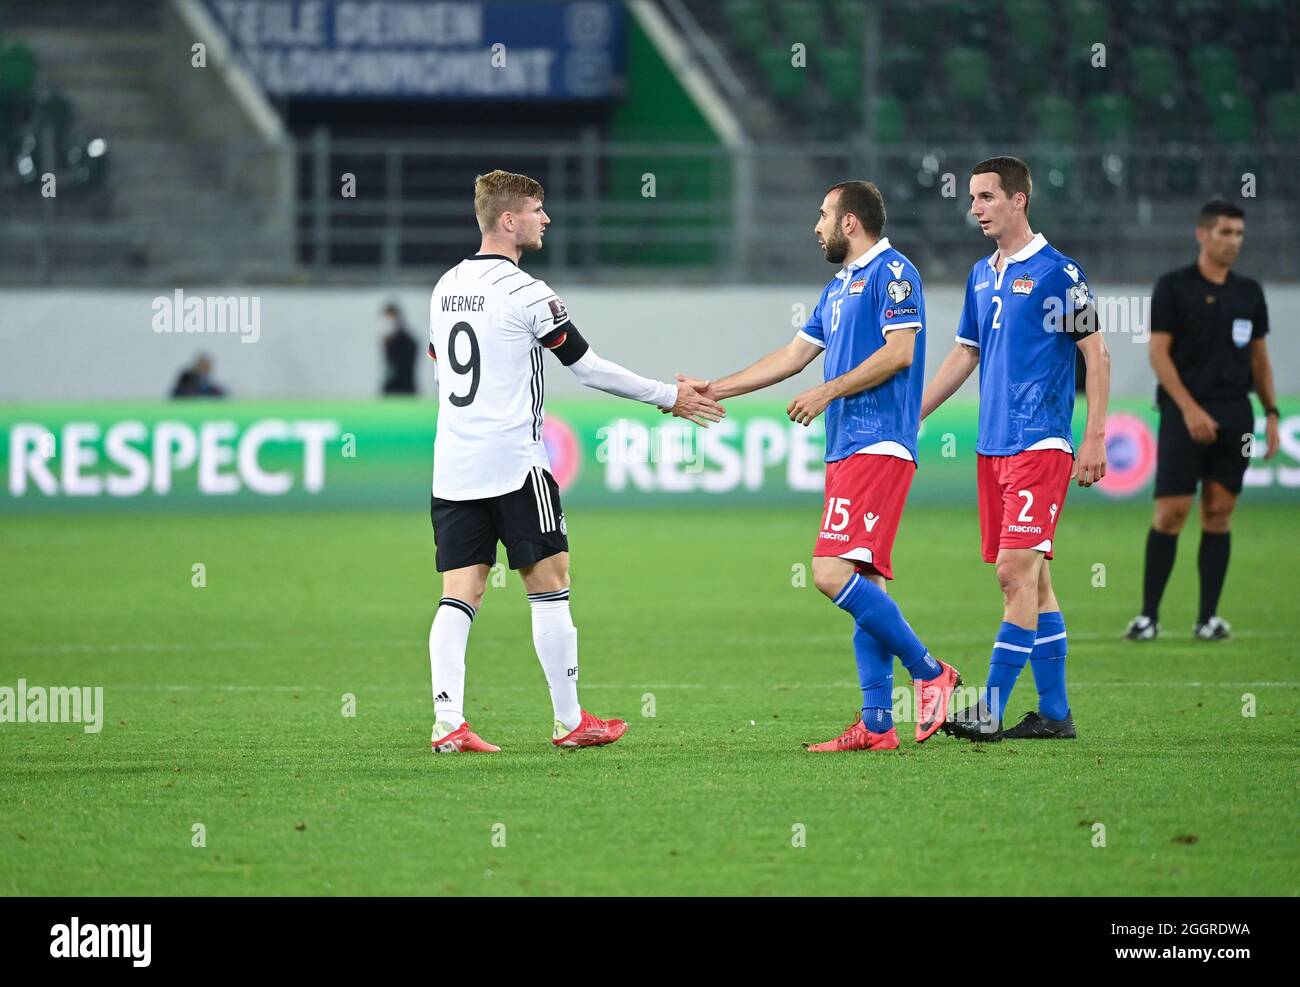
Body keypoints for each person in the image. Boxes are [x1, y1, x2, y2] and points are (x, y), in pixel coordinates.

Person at [425, 169, 723, 753]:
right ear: (509, 221)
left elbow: (441, 362)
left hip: (455, 464)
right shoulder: (530, 293)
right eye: (537, 209)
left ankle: (448, 722)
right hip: (515, 462)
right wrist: (670, 395)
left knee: (460, 591)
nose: (546, 219)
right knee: (551, 582)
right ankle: (569, 721)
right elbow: (586, 367)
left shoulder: (444, 287)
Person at [679, 180, 961, 753]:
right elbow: (791, 356)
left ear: (851, 221)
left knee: (829, 574)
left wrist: (827, 391)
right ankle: (878, 725)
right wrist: (717, 388)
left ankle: (931, 673)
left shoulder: (894, 272)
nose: (816, 226)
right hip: (846, 448)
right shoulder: (837, 288)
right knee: (866, 584)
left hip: (878, 442)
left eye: (823, 215)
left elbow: (901, 350)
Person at [922, 156, 1110, 741]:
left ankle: (990, 709)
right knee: (1035, 582)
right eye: (973, 199)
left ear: (1018, 200)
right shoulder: (982, 274)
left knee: (1012, 572)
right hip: (993, 446)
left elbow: (1096, 354)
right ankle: (1055, 715)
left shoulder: (1059, 273)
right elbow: (965, 353)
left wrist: (1094, 435)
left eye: (985, 197)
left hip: (1041, 442)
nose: (974, 208)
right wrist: (912, 416)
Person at [1124, 200, 1280, 642]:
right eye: (1226, 232)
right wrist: (1190, 409)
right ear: (1203, 235)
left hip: (1236, 413)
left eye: (1239, 234)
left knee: (1219, 512)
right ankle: (1148, 616)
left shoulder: (1249, 293)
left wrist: (1270, 412)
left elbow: (1260, 361)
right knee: (1171, 512)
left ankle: (1207, 618)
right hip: (1182, 412)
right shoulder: (1174, 287)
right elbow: (1158, 353)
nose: (1234, 241)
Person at [380, 302, 418, 395]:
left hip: (405, 391)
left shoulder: (409, 343)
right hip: (389, 392)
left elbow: (404, 370)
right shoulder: (387, 343)